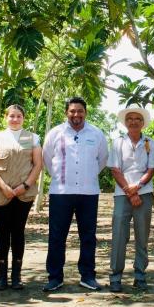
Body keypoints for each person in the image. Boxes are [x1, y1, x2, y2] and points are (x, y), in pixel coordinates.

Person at [42, 97, 109, 292]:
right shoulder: (55, 133)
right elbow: (47, 159)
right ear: (67, 113)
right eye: (72, 111)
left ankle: (87, 276)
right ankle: (55, 277)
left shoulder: (96, 133)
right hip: (61, 192)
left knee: (88, 236)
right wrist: (60, 177)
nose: (76, 115)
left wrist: (88, 176)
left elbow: (102, 159)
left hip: (88, 192)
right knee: (56, 236)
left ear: (85, 112)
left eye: (80, 111)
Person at [0, 104, 43, 291]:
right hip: (0, 193)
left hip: (24, 194)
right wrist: (4, 187)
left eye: (19, 116)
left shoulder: (33, 138)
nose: (15, 119)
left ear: (23, 118)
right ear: (5, 117)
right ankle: (1, 277)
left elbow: (38, 164)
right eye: (11, 116)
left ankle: (16, 276)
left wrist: (23, 187)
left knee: (18, 231)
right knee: (3, 232)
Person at [108, 105, 154, 293]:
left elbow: (151, 169)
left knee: (142, 236)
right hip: (122, 194)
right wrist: (130, 192)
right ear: (125, 122)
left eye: (137, 119)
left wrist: (137, 188)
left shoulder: (150, 143)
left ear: (142, 122)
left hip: (144, 193)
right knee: (119, 236)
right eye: (129, 119)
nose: (133, 122)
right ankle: (115, 277)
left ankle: (140, 275)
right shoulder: (117, 143)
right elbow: (115, 169)